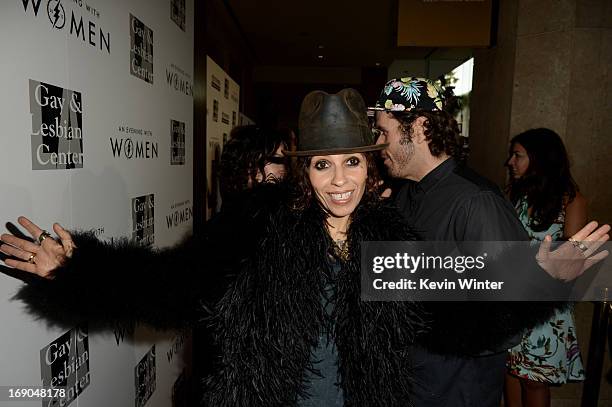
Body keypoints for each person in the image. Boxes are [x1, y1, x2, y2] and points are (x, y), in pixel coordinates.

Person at [1, 88, 608, 407]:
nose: (340, 180)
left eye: (352, 162)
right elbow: (170, 289)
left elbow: (458, 323)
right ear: (303, 171)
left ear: (373, 169)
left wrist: (541, 279)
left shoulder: (389, 239)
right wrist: (78, 269)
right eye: (323, 165)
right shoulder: (257, 230)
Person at [369, 77, 609, 407]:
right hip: (407, 374)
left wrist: (540, 279)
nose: (379, 143)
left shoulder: (476, 201)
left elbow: (505, 315)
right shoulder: (404, 193)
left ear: (422, 128)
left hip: (454, 384)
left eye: (384, 132)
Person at [504, 128, 587, 406]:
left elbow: (571, 262)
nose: (510, 162)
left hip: (545, 304)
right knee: (511, 373)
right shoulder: (515, 195)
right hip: (512, 299)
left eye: (518, 155)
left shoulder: (569, 200)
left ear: (540, 159)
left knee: (534, 380)